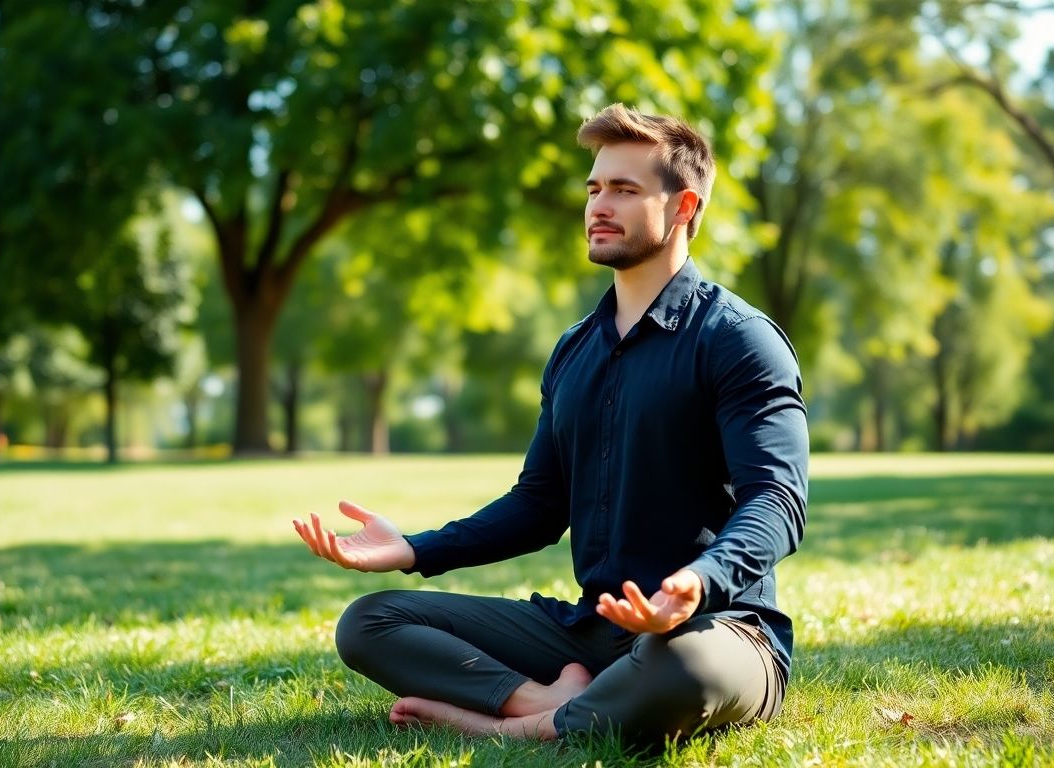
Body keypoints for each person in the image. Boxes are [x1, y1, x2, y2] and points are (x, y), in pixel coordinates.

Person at [292, 103, 808, 748]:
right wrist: (418, 548)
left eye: (625, 189)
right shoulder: (574, 350)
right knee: (370, 621)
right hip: (590, 631)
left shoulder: (739, 341)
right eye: (594, 188)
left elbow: (778, 501)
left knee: (681, 668)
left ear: (683, 209)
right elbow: (540, 504)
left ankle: (517, 727)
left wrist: (698, 582)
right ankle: (544, 700)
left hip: (719, 628)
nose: (599, 205)